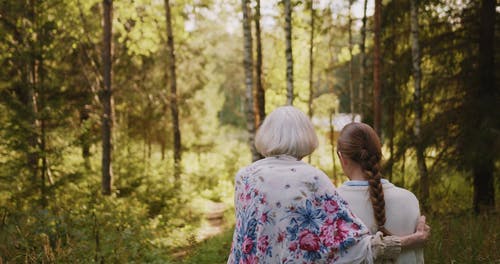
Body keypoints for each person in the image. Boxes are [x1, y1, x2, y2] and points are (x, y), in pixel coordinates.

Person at [227, 106, 430, 264]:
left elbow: (242, 245)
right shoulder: (313, 179)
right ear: (305, 137)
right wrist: (410, 240)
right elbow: (351, 248)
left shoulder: (245, 177)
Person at [336, 122, 424, 263]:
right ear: (378, 154)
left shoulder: (332, 203)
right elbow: (417, 257)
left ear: (342, 158)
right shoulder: (409, 199)